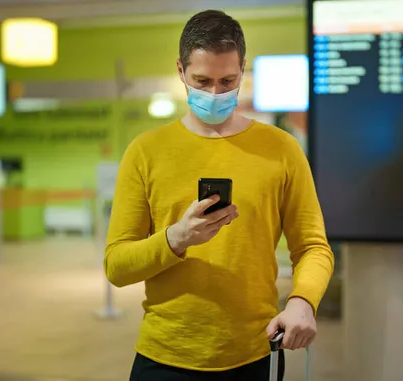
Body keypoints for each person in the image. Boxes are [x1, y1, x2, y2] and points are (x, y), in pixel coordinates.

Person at [104, 9, 334, 381]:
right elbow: (116, 265)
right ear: (180, 71)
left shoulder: (282, 149)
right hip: (164, 356)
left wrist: (302, 301)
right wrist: (175, 239)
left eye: (228, 81)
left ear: (243, 70)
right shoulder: (145, 151)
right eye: (202, 80)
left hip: (253, 351)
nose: (215, 93)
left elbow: (312, 246)